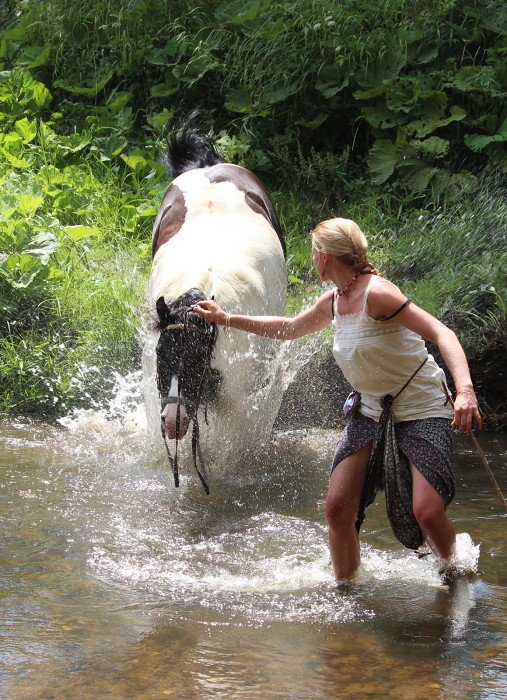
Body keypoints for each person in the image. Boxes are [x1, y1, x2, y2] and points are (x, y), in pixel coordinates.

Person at [192, 217, 482, 581]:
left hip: (422, 408)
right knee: (337, 507)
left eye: (313, 253)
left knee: (426, 510)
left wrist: (465, 391)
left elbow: (443, 333)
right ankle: (346, 587)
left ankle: (456, 572)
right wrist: (227, 318)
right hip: (370, 409)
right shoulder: (333, 301)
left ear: (325, 257)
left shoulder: (378, 294)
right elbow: (289, 329)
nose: (311, 259)